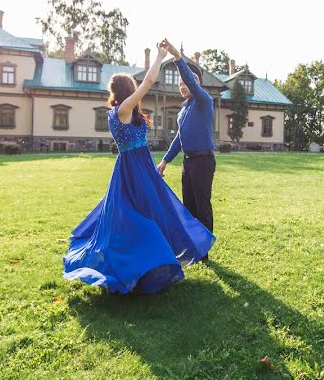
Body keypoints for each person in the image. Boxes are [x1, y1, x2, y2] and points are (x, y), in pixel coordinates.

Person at [62, 41, 214, 294]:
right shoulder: (122, 110)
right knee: (145, 214)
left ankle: (178, 254)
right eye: (133, 86)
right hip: (133, 168)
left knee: (161, 210)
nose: (137, 88)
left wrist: (162, 161)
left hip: (149, 165)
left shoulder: (192, 103)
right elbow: (149, 83)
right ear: (127, 89)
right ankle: (142, 263)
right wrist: (160, 56)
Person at [157, 40, 216, 249]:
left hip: (204, 161)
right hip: (188, 163)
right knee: (189, 206)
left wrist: (176, 56)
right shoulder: (183, 110)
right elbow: (178, 139)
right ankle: (193, 247)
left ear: (196, 84)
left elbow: (190, 80)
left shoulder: (204, 101)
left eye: (186, 83)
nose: (182, 86)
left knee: (202, 205)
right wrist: (165, 161)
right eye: (180, 84)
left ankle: (204, 248)